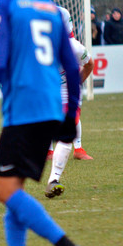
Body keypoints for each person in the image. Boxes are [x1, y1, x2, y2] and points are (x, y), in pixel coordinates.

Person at [0, 0, 92, 246]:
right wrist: (70, 110)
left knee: (4, 191)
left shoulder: (2, 4)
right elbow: (71, 65)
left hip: (24, 111)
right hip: (49, 107)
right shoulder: (50, 8)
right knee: (14, 190)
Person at [45, 38, 94, 198]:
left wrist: (76, 83)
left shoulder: (74, 46)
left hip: (65, 95)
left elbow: (89, 64)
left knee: (67, 130)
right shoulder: (35, 42)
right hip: (45, 94)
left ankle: (54, 178)